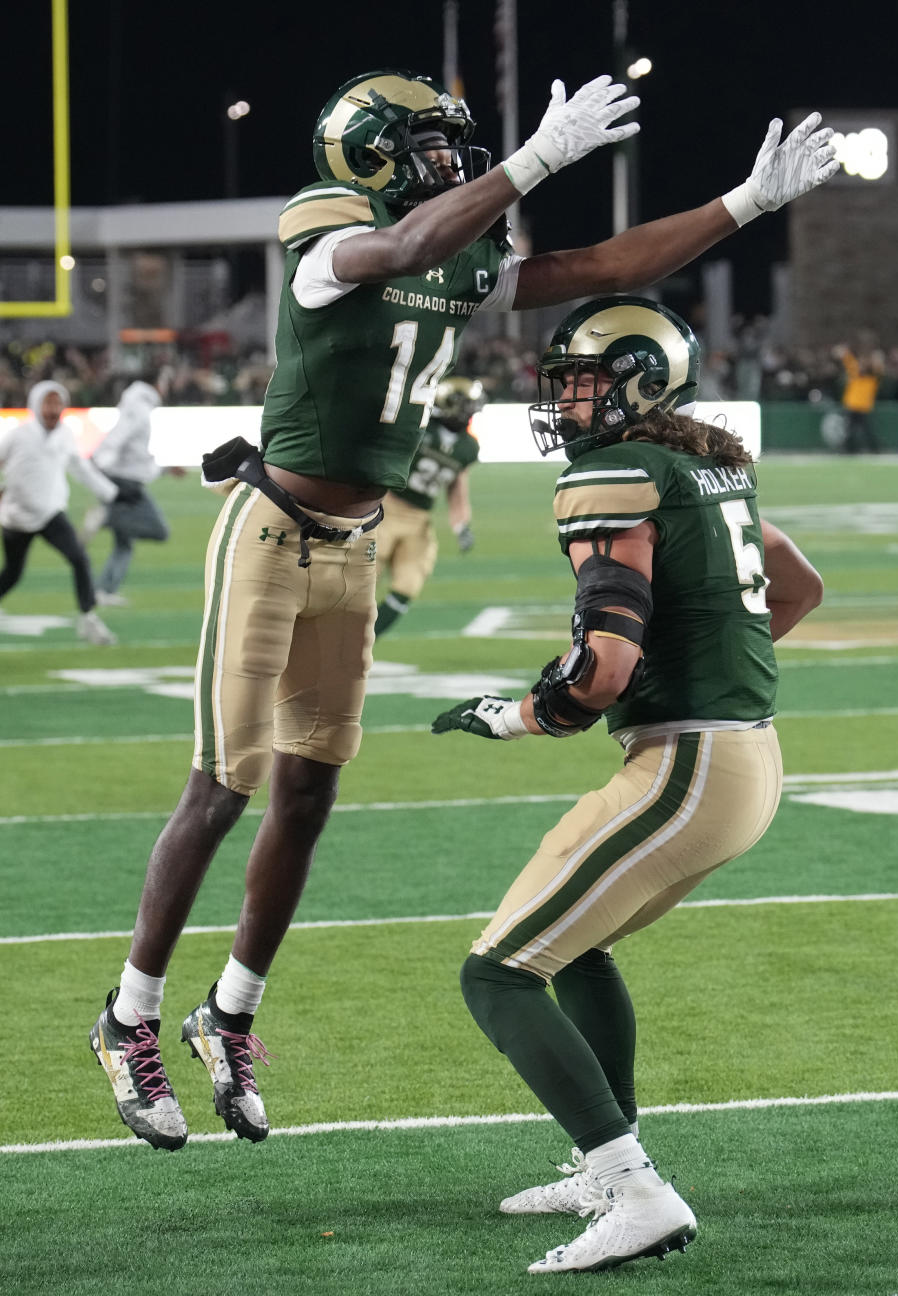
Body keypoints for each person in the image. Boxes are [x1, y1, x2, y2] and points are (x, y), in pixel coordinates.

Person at [88, 67, 838, 1153]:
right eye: (429, 142)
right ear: (371, 155)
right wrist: (538, 161)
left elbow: (595, 267)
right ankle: (128, 1015)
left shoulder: (462, 250)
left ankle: (232, 1013)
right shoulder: (329, 225)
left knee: (308, 793)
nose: (452, 156)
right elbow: (397, 253)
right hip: (268, 529)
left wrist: (744, 205)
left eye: (456, 143)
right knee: (222, 787)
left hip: (351, 547)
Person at [432, 297, 824, 1274]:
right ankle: (604, 1165)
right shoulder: (705, 466)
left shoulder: (611, 474)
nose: (564, 402)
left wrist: (514, 713)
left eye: (581, 381)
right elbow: (799, 586)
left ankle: (638, 1189)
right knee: (579, 945)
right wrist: (702, 663)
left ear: (640, 378)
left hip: (690, 765)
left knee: (499, 972)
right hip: (739, 755)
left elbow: (598, 673)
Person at [0, 380, 118, 645]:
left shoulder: (64, 434)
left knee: (79, 558)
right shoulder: (18, 435)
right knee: (12, 573)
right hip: (17, 517)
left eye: (58, 403)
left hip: (51, 513)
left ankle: (88, 618)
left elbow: (80, 467)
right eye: (48, 403)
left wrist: (109, 492)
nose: (53, 409)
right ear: (35, 404)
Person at [374, 376, 485, 636]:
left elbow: (457, 488)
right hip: (384, 509)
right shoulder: (418, 427)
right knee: (361, 585)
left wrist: (461, 526)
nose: (470, 413)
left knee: (408, 585)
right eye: (466, 406)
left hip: (418, 520)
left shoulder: (468, 446)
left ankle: (366, 642)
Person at [84, 379, 184, 606]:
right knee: (159, 530)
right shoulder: (138, 410)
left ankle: (104, 591)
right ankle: (106, 519)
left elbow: (135, 456)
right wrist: (100, 466)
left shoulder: (134, 406)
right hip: (124, 484)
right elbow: (118, 441)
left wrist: (165, 470)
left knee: (124, 543)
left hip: (122, 478)